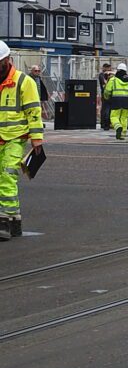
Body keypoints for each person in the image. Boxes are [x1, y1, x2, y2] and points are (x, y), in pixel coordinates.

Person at [0, 41, 43, 240]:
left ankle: (4, 220)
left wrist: (37, 139)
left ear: (7, 60)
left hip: (15, 137)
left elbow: (34, 112)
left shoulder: (24, 82)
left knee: (8, 174)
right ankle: (15, 219)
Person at [103, 63, 128, 140]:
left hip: (116, 101)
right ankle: (122, 135)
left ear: (118, 70)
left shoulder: (113, 80)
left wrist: (106, 97)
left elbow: (107, 91)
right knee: (124, 118)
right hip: (126, 101)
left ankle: (118, 127)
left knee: (114, 117)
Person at [97, 63, 113, 130]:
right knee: (105, 109)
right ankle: (104, 124)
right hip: (105, 94)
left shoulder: (109, 75)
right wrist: (109, 78)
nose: (110, 70)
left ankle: (107, 123)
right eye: (109, 68)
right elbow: (104, 84)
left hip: (111, 94)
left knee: (107, 109)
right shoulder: (102, 75)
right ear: (105, 68)